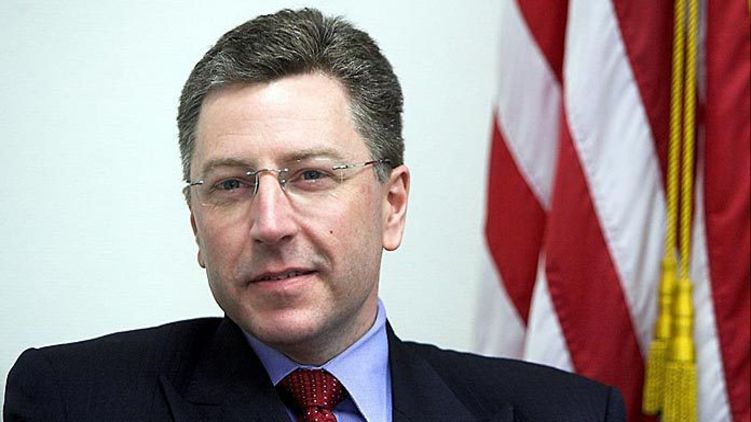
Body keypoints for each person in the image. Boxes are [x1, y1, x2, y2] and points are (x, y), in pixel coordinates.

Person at [4, 8, 625, 422]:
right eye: (231, 185)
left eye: (311, 175)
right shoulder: (70, 400)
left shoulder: (567, 413)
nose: (270, 223)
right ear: (195, 223)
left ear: (392, 204)